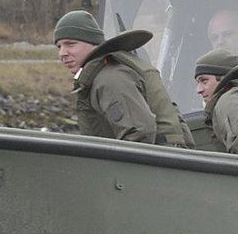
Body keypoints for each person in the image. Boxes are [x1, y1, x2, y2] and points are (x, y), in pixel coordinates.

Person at [53, 10, 192, 147]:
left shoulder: (109, 78)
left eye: (70, 44)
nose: (62, 53)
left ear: (93, 43)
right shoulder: (100, 76)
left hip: (158, 163)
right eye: (59, 46)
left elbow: (139, 133)